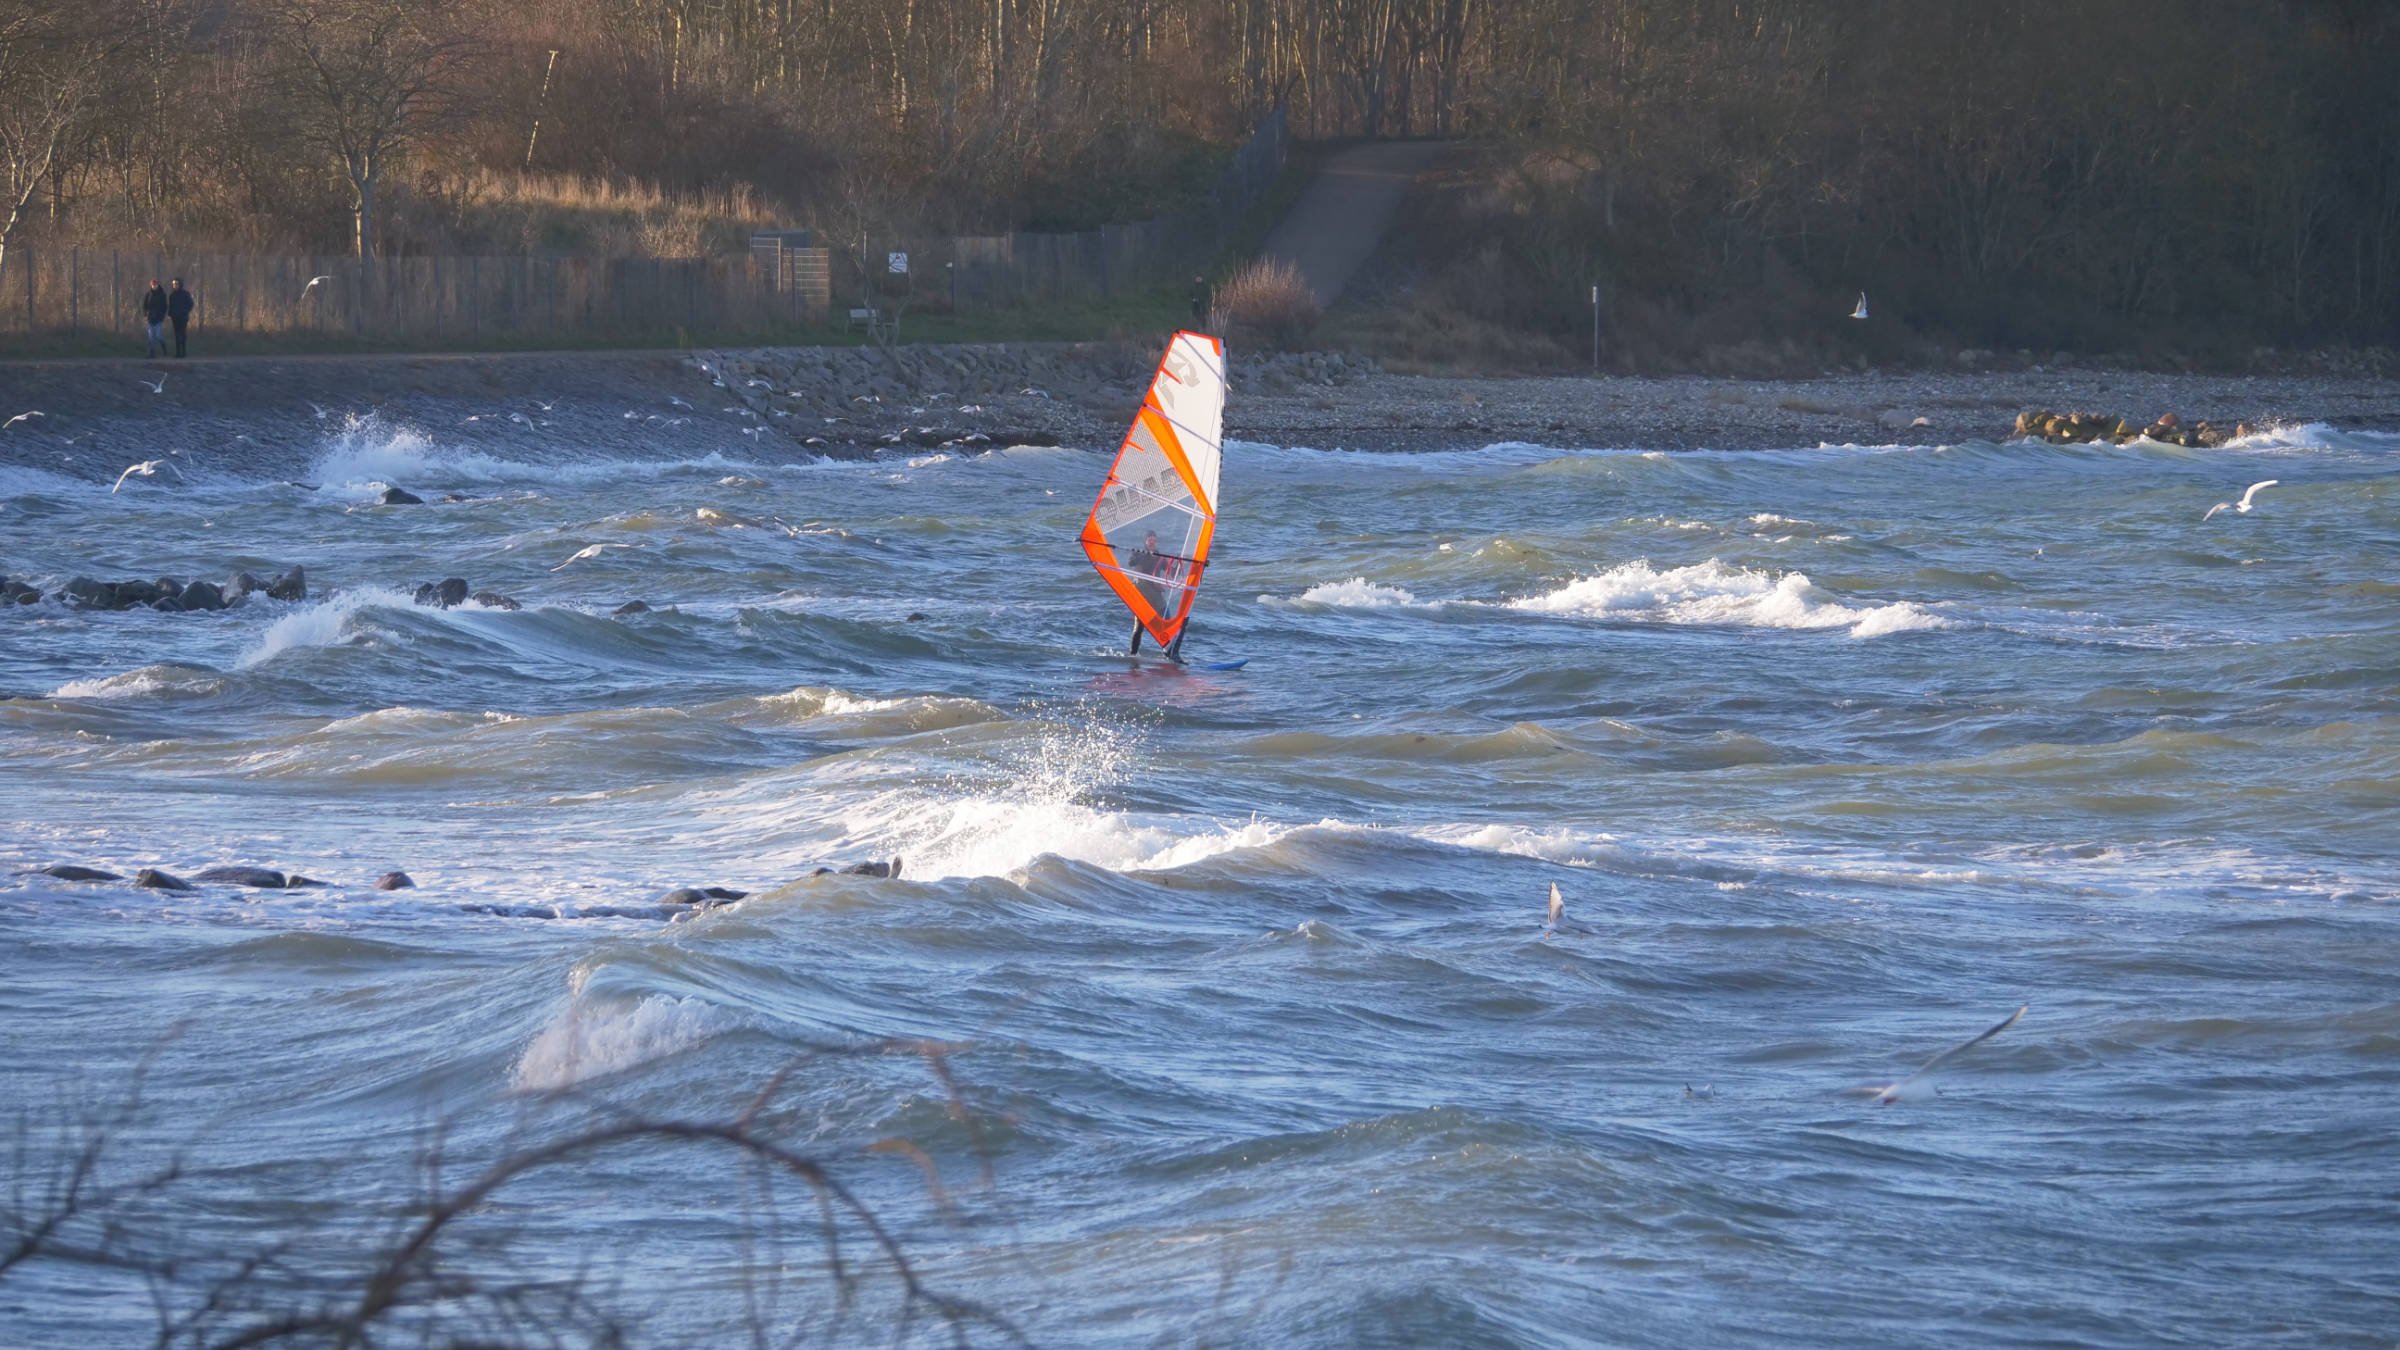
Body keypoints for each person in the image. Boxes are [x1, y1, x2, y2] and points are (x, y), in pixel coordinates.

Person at [167, 278, 195, 358]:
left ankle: (183, 352)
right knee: (176, 335)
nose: (175, 285)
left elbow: (191, 304)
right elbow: (171, 306)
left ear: (180, 284)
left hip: (183, 317)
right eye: (173, 284)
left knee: (182, 334)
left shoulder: (185, 294)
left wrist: (185, 311)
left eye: (176, 284)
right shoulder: (172, 295)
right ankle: (178, 352)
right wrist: (170, 314)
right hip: (175, 317)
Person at [139, 280, 168, 358]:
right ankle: (151, 353)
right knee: (151, 337)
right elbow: (144, 305)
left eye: (155, 285)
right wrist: (145, 315)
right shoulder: (148, 294)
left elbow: (165, 307)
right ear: (151, 285)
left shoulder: (162, 295)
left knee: (158, 335)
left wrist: (162, 316)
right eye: (152, 285)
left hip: (158, 318)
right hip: (150, 318)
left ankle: (163, 345)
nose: (154, 286)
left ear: (158, 285)